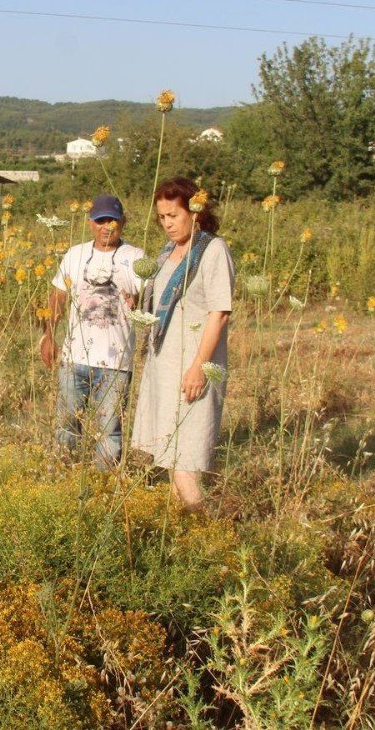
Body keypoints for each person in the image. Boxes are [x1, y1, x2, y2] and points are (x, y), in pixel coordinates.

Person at [131, 177, 235, 511]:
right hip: (163, 367)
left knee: (185, 459)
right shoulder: (167, 254)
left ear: (195, 212)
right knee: (170, 457)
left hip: (191, 368)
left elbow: (219, 313)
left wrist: (198, 369)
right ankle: (183, 532)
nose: (168, 224)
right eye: (162, 217)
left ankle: (202, 532)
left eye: (174, 215)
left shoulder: (213, 250)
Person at [40, 194, 145, 469]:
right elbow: (57, 298)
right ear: (91, 223)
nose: (106, 226)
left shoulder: (136, 258)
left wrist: (138, 300)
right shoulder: (75, 254)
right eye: (100, 221)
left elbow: (147, 301)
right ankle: (64, 476)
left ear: (123, 222)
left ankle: (103, 485)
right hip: (74, 359)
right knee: (66, 425)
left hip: (116, 362)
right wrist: (48, 336)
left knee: (110, 429)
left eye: (112, 220)